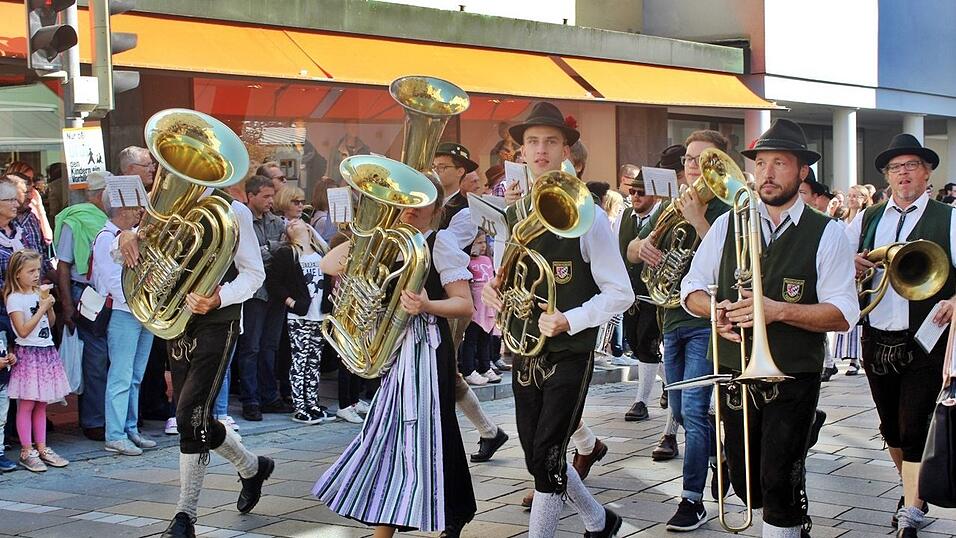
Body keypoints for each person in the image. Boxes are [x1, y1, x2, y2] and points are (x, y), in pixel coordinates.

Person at [681, 118, 859, 538]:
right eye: (761, 164)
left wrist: (778, 311)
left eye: (780, 163)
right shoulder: (727, 224)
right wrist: (716, 311)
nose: (767, 173)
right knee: (746, 483)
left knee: (778, 479)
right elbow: (690, 288)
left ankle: (787, 518)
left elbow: (843, 313)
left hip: (794, 372)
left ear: (802, 172)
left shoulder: (828, 233)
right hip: (733, 369)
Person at [483, 101, 632, 537]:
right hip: (525, 350)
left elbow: (620, 292)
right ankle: (599, 521)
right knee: (535, 454)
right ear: (521, 152)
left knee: (548, 451)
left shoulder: (591, 218)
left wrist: (570, 319)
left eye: (550, 141)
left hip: (569, 349)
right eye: (532, 141)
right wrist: (494, 290)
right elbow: (505, 277)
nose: (540, 149)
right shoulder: (512, 212)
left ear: (566, 149)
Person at [314, 174, 478, 537]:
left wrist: (426, 304)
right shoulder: (383, 242)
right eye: (405, 200)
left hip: (426, 348)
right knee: (427, 431)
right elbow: (329, 264)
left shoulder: (441, 242)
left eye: (420, 202)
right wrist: (370, 230)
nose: (410, 209)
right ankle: (456, 509)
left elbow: (464, 304)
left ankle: (392, 526)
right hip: (390, 349)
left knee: (402, 432)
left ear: (435, 209)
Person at [116, 177, 272, 538]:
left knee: (189, 415)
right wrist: (127, 237)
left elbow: (254, 275)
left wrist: (220, 298)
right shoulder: (166, 205)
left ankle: (184, 517)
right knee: (192, 418)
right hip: (177, 320)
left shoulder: (235, 211)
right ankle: (252, 467)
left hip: (219, 321)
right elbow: (124, 254)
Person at [848, 133, 955, 537]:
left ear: (927, 173)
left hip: (927, 337)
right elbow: (840, 262)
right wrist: (853, 264)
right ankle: (913, 489)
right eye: (896, 168)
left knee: (914, 425)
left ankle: (911, 510)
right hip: (877, 334)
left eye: (911, 166)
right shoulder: (868, 218)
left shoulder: (949, 217)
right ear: (887, 177)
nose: (904, 173)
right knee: (891, 426)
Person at [630, 131, 733, 531]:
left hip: (708, 321)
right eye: (688, 158)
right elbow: (633, 250)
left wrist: (699, 221)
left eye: (701, 159)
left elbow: (734, 264)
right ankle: (718, 456)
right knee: (678, 410)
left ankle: (692, 500)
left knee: (691, 408)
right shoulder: (674, 204)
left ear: (719, 164)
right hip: (670, 318)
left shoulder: (731, 206)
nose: (692, 165)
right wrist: (642, 248)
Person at [431, 141, 510, 463]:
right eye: (435, 166)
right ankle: (489, 431)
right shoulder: (432, 200)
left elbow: (442, 241)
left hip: (451, 296)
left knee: (441, 370)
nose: (437, 171)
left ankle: (451, 436)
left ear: (461, 171)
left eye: (444, 167)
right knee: (446, 371)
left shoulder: (466, 209)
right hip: (430, 294)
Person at [93, 193, 155, 456]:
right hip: (125, 312)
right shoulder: (106, 237)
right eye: (134, 206)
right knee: (121, 374)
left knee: (135, 374)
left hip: (140, 311)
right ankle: (115, 434)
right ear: (121, 210)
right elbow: (113, 281)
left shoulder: (130, 233)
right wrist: (143, 303)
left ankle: (130, 428)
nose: (140, 210)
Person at [53, 171, 109, 441]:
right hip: (84, 293)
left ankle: (111, 417)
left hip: (109, 292)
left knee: (112, 358)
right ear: (100, 195)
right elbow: (63, 266)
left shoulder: (113, 220)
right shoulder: (75, 222)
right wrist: (67, 306)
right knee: (95, 359)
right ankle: (94, 420)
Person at [4, 250, 70, 472]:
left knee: (42, 403)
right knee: (27, 403)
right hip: (28, 354)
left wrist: (48, 307)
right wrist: (41, 307)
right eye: (30, 271)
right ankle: (26, 449)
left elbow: (49, 323)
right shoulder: (14, 298)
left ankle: (42, 447)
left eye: (37, 270)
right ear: (17, 274)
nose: (35, 275)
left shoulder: (36, 293)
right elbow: (22, 331)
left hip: (45, 351)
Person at [265, 219, 332, 424]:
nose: (293, 223)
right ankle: (299, 405)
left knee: (314, 360)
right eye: (290, 224)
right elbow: (273, 282)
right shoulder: (288, 253)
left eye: (298, 221)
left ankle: (312, 402)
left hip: (319, 314)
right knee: (300, 360)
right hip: (299, 316)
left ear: (308, 229)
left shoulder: (321, 252)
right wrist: (291, 302)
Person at [236, 175, 290, 421]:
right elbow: (251, 256)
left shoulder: (277, 222)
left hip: (276, 292)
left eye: (272, 196)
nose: (271, 201)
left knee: (270, 347)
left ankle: (270, 396)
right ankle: (250, 400)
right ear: (251, 196)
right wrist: (272, 248)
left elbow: (285, 252)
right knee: (251, 347)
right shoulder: (242, 220)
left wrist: (269, 249)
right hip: (253, 294)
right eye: (266, 196)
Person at [617, 165, 664, 422]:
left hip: (655, 295)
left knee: (647, 344)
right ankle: (672, 383)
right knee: (636, 344)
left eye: (640, 192)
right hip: (632, 294)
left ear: (654, 195)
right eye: (631, 191)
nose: (634, 196)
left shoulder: (663, 216)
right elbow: (618, 254)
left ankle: (641, 401)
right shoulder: (625, 217)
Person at [458, 232, 500, 385]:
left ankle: (485, 366)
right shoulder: (465, 261)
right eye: (478, 242)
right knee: (471, 339)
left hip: (487, 307)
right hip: (474, 306)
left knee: (485, 339)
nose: (482, 246)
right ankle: (469, 370)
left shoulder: (487, 260)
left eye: (484, 242)